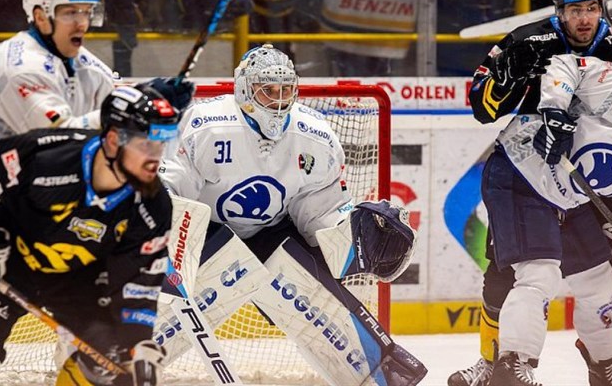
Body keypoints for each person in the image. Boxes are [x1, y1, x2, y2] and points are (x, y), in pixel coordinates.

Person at [158, 44, 428, 385]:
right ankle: (119, 361)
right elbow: (173, 188)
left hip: (272, 234)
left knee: (315, 285)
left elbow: (317, 210)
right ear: (244, 90)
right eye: (269, 90)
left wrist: (347, 232)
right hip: (208, 233)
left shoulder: (313, 135)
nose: (279, 99)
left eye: (286, 90)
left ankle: (380, 372)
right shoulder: (205, 125)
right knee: (170, 301)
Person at [0, 84, 180, 386]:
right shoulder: (48, 156)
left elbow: (141, 282)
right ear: (112, 140)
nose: (156, 157)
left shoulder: (153, 204)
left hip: (75, 278)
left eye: (160, 146)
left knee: (115, 368)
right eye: (146, 145)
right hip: (3, 267)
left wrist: (139, 346)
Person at [450, 0, 612, 386]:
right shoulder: (528, 41)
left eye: (592, 8)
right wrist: (511, 78)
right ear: (559, 11)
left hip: (583, 182)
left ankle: (604, 361)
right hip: (528, 170)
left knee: (600, 275)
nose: (584, 19)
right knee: (509, 274)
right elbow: (482, 107)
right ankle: (496, 364)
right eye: (574, 9)